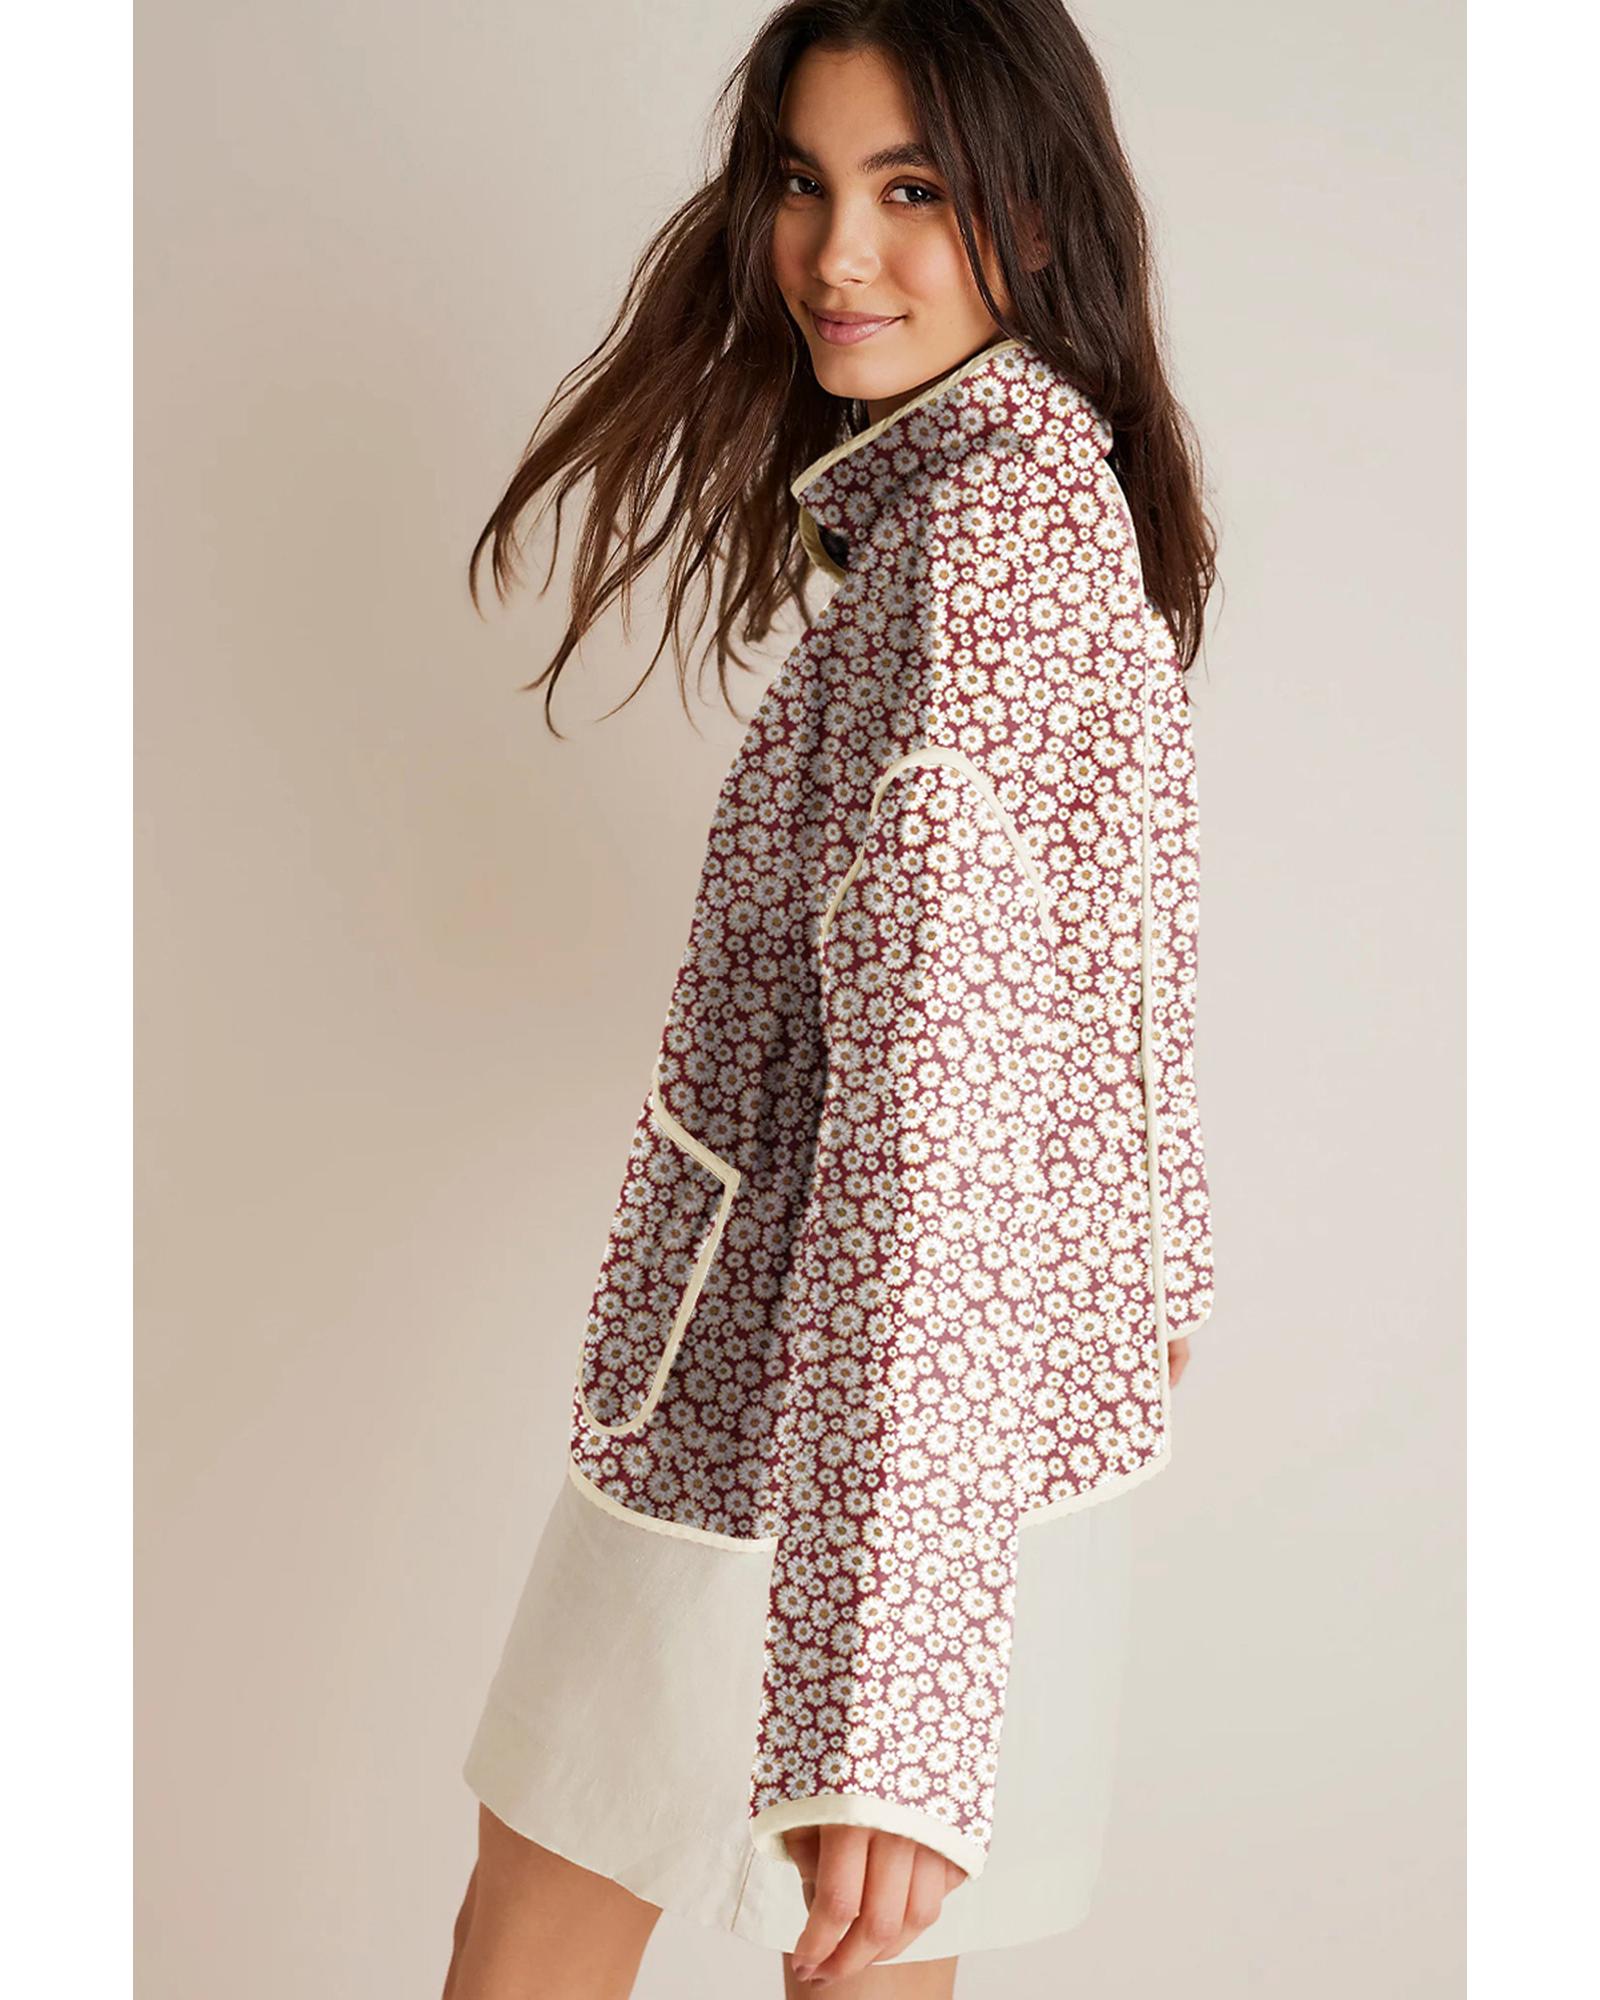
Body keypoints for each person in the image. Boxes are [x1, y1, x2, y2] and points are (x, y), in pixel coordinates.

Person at [446, 3, 1216, 1994]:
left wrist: (893, 1697)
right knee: (860, 1968)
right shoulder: (1037, 519)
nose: (835, 253)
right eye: (804, 180)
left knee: (549, 1935)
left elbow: (937, 1134)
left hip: (827, 1432)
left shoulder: (977, 574)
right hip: (966, 1445)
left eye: (912, 188)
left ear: (1031, 212)